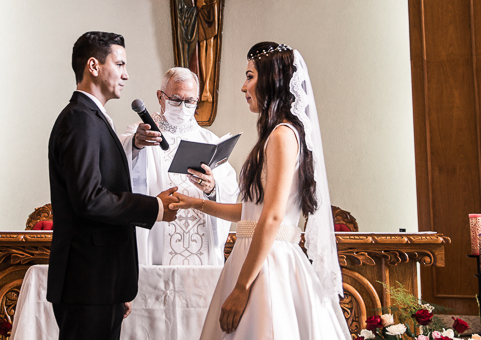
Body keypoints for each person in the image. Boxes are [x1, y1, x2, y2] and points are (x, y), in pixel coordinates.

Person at [170, 42, 349, 339]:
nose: (243, 86)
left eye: (250, 76)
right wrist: (197, 204)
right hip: (253, 252)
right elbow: (253, 212)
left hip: (269, 263)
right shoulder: (274, 134)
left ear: (271, 80)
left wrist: (242, 288)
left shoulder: (282, 135)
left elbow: (273, 218)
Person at [46, 31, 179, 340]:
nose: (126, 74)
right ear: (94, 65)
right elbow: (89, 199)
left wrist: (117, 285)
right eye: (119, 64)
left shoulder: (93, 117)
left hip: (100, 281)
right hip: (86, 284)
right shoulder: (80, 118)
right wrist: (154, 207)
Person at [121, 67, 239, 265]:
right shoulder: (141, 133)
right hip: (156, 240)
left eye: (190, 101)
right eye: (176, 99)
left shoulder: (209, 140)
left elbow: (230, 191)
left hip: (201, 242)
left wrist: (212, 188)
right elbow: (116, 165)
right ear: (160, 97)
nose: (183, 106)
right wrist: (135, 144)